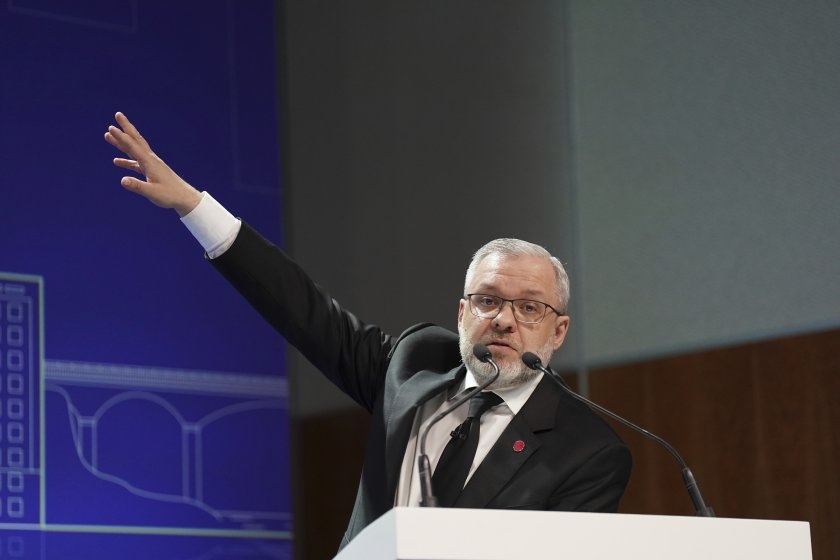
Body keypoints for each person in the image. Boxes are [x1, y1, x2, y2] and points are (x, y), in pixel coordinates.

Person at [104, 112, 631, 550]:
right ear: (462, 312)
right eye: (488, 301)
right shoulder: (414, 366)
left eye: (530, 308)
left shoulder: (587, 451)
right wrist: (193, 205)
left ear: (558, 331)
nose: (504, 319)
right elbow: (302, 308)